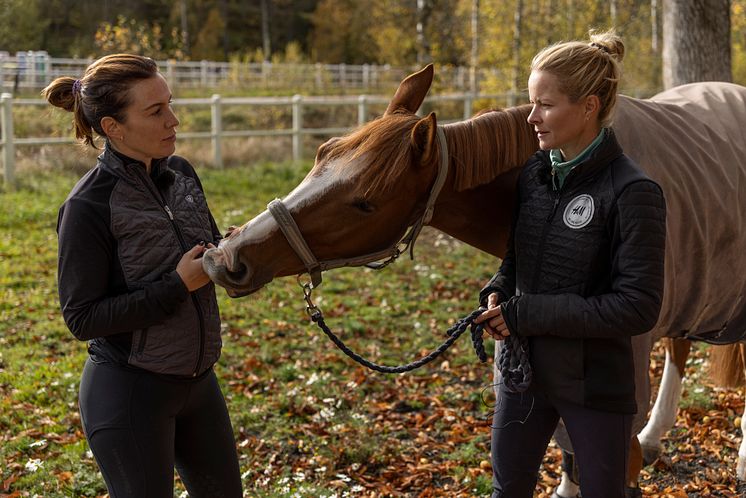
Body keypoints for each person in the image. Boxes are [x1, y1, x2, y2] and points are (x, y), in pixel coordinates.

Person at [473, 31, 666, 498]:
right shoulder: (535, 176)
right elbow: (517, 258)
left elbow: (637, 307)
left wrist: (527, 312)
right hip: (523, 373)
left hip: (596, 384)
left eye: (545, 105)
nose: (531, 118)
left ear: (589, 106)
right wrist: (499, 290)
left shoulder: (634, 192)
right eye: (530, 103)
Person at [45, 54, 242, 498]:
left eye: (170, 103)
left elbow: (203, 253)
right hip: (130, 393)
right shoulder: (87, 207)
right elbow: (82, 318)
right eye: (155, 111)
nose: (173, 119)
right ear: (113, 127)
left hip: (199, 384)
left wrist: (231, 253)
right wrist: (177, 286)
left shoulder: (184, 175)